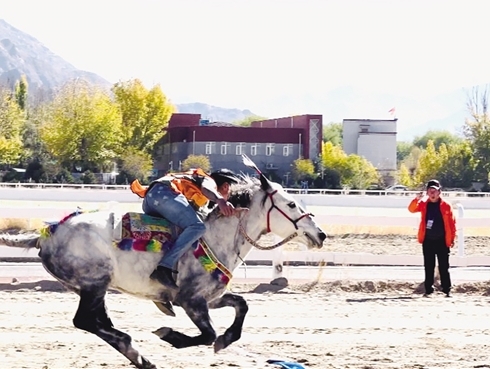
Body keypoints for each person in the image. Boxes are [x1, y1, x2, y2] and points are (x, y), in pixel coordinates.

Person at [131, 168, 239, 290]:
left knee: (181, 231)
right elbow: (206, 189)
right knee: (197, 227)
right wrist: (220, 200)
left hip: (150, 200)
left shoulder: (196, 191)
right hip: (164, 195)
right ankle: (164, 268)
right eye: (229, 189)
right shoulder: (209, 181)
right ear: (225, 186)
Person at [408, 179, 456, 297]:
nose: (432, 193)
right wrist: (416, 199)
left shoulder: (446, 205)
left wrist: (451, 239)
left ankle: (446, 289)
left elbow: (452, 223)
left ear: (439, 192)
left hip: (442, 240)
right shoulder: (423, 204)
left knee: (444, 266)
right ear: (427, 192)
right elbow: (411, 209)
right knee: (428, 265)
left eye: (434, 191)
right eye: (430, 191)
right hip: (428, 240)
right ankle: (428, 289)